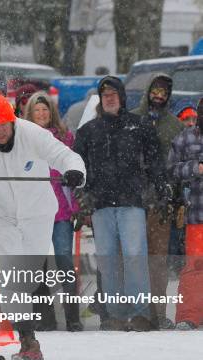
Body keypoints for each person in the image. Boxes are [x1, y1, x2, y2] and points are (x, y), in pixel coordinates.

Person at [0, 89, 86, 360]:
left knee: (30, 276)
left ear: (12, 120)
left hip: (37, 212)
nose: (0, 131)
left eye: (4, 124)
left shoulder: (31, 133)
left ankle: (25, 333)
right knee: (11, 276)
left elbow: (65, 155)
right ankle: (28, 339)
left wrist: (75, 173)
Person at [73, 76, 170, 332]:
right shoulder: (88, 132)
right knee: (107, 261)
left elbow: (155, 161)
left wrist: (161, 187)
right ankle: (114, 314)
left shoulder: (139, 126)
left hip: (132, 202)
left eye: (113, 93)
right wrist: (81, 199)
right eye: (105, 94)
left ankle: (140, 314)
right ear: (100, 99)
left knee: (135, 256)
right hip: (100, 204)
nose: (109, 97)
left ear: (122, 97)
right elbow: (76, 169)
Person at [24, 91, 83, 331]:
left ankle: (73, 317)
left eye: (45, 109)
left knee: (65, 262)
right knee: (37, 265)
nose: (41, 113)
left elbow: (75, 171)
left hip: (61, 212)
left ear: (52, 112)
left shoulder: (65, 137)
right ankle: (44, 316)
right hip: (34, 211)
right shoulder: (24, 139)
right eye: (37, 110)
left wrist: (78, 208)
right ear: (30, 113)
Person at [131, 73, 184, 330]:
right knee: (131, 258)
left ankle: (159, 313)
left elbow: (177, 167)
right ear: (148, 91)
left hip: (161, 203)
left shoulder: (175, 126)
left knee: (158, 261)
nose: (159, 95)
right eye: (156, 90)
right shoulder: (130, 118)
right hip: (131, 201)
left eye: (164, 92)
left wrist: (175, 198)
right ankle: (135, 313)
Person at [167, 97, 203, 330]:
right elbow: (169, 169)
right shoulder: (186, 137)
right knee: (194, 268)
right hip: (197, 215)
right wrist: (196, 168)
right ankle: (189, 315)